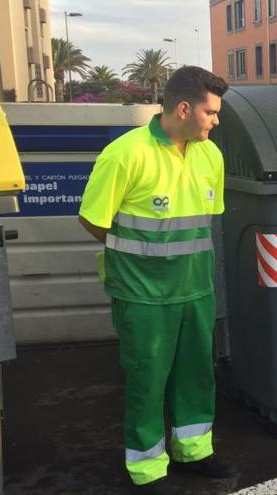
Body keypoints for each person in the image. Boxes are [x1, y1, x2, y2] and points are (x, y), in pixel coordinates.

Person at [78, 66, 233, 492]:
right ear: (184, 108)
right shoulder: (125, 154)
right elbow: (93, 220)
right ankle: (147, 469)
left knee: (197, 374)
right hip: (142, 295)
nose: (216, 121)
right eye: (210, 112)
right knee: (147, 380)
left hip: (196, 289)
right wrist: (139, 257)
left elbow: (205, 224)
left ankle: (194, 450)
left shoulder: (210, 156)